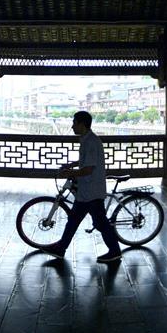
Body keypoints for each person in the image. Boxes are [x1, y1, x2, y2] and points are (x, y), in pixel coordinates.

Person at [43, 111, 122, 263]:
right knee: (74, 220)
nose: (72, 126)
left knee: (100, 223)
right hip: (86, 191)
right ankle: (60, 249)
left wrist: (69, 172)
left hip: (92, 191)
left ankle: (115, 251)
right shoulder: (86, 139)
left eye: (74, 123)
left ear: (82, 124)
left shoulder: (91, 142)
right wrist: (72, 165)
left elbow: (88, 169)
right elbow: (85, 162)